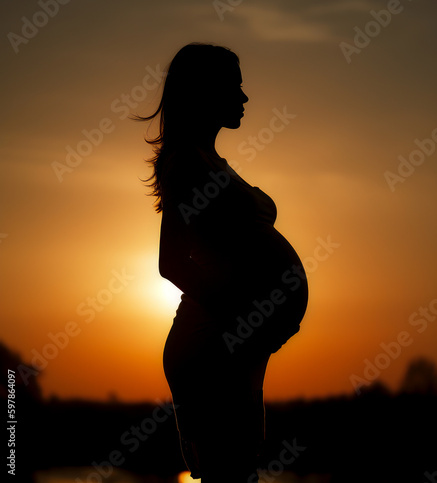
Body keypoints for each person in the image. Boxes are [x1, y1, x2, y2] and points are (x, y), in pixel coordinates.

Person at [135, 43, 308, 482]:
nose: (245, 98)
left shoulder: (211, 164)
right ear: (205, 91)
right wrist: (246, 314)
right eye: (235, 86)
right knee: (229, 474)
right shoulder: (188, 164)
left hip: (232, 346)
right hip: (214, 346)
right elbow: (171, 262)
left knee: (237, 470)